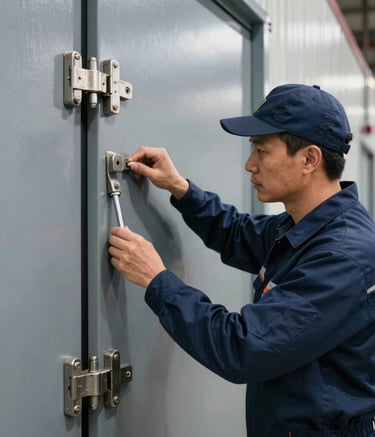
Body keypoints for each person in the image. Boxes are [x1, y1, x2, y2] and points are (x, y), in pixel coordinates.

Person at [108, 84, 375, 436]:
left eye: (262, 152)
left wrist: (158, 280)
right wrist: (181, 189)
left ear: (310, 159)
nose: (250, 165)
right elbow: (237, 233)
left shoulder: (341, 255)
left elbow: (243, 348)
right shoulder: (306, 226)